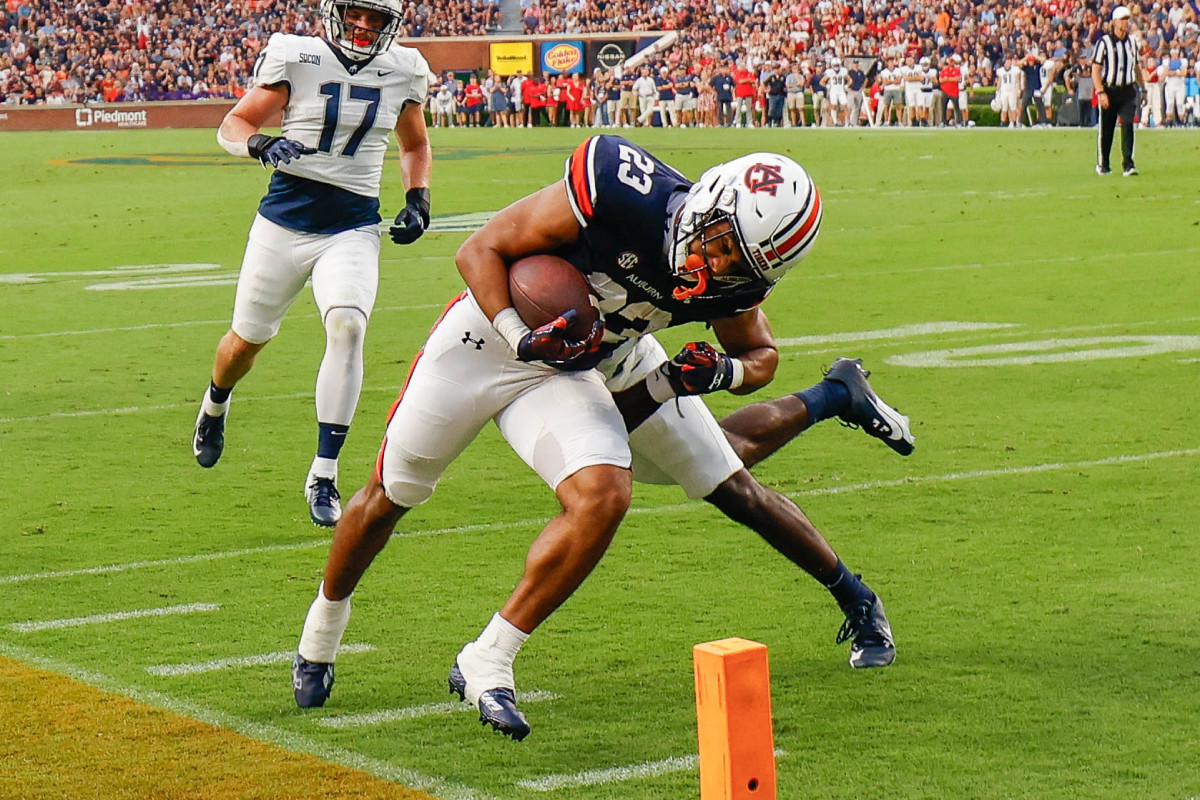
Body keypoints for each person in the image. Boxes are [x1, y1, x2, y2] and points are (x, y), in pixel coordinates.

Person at [291, 135, 911, 740]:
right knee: (391, 492)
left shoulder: (735, 279)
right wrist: (519, 334)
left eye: (738, 264)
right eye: (722, 246)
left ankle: (490, 658)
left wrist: (723, 371)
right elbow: (480, 249)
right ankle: (320, 634)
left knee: (621, 491)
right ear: (709, 203)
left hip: (590, 365)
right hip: (487, 340)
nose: (718, 267)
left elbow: (761, 353)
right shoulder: (622, 192)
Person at [194, 0, 433, 527]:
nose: (364, 25)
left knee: (348, 327)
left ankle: (323, 473)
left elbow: (413, 143)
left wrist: (418, 198)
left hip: (352, 226)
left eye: (377, 18)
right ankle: (215, 404)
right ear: (334, 12)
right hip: (282, 224)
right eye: (356, 13)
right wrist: (258, 142)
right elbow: (234, 122)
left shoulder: (403, 68)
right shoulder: (296, 55)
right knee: (245, 341)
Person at [1092, 5, 1143, 176]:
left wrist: (1142, 88)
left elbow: (1136, 68)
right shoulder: (1104, 43)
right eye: (1122, 19)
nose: (1126, 23)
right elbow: (1096, 69)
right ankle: (1104, 163)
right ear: (1114, 22)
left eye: (1127, 19)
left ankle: (1128, 164)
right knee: (1107, 130)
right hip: (1110, 90)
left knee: (1128, 124)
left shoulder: (1132, 43)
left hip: (1127, 90)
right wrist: (1100, 91)